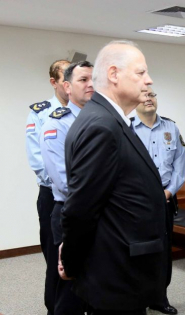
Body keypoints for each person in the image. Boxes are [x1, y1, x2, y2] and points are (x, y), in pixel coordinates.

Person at [59, 40, 168, 315]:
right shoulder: (102, 126)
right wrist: (71, 263)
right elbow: (80, 208)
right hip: (116, 274)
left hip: (123, 269)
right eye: (141, 73)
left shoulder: (107, 119)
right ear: (114, 74)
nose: (149, 80)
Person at [40, 60, 93, 315]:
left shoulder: (110, 121)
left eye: (94, 80)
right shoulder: (56, 124)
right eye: (83, 80)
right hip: (71, 213)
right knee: (70, 290)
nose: (90, 85)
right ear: (67, 87)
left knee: (99, 286)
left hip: (104, 215)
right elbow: (63, 180)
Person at [133, 86, 185, 315]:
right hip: (136, 201)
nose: (148, 99)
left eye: (152, 95)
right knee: (137, 250)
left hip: (165, 198)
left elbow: (179, 166)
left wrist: (169, 191)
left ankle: (159, 297)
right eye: (143, 95)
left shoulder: (171, 128)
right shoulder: (127, 129)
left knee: (163, 251)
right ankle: (136, 298)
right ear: (134, 101)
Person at [25, 59, 70, 314]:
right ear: (54, 82)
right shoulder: (40, 112)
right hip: (52, 194)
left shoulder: (85, 110)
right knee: (54, 254)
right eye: (65, 76)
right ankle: (54, 307)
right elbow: (37, 159)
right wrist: (63, 184)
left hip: (80, 195)